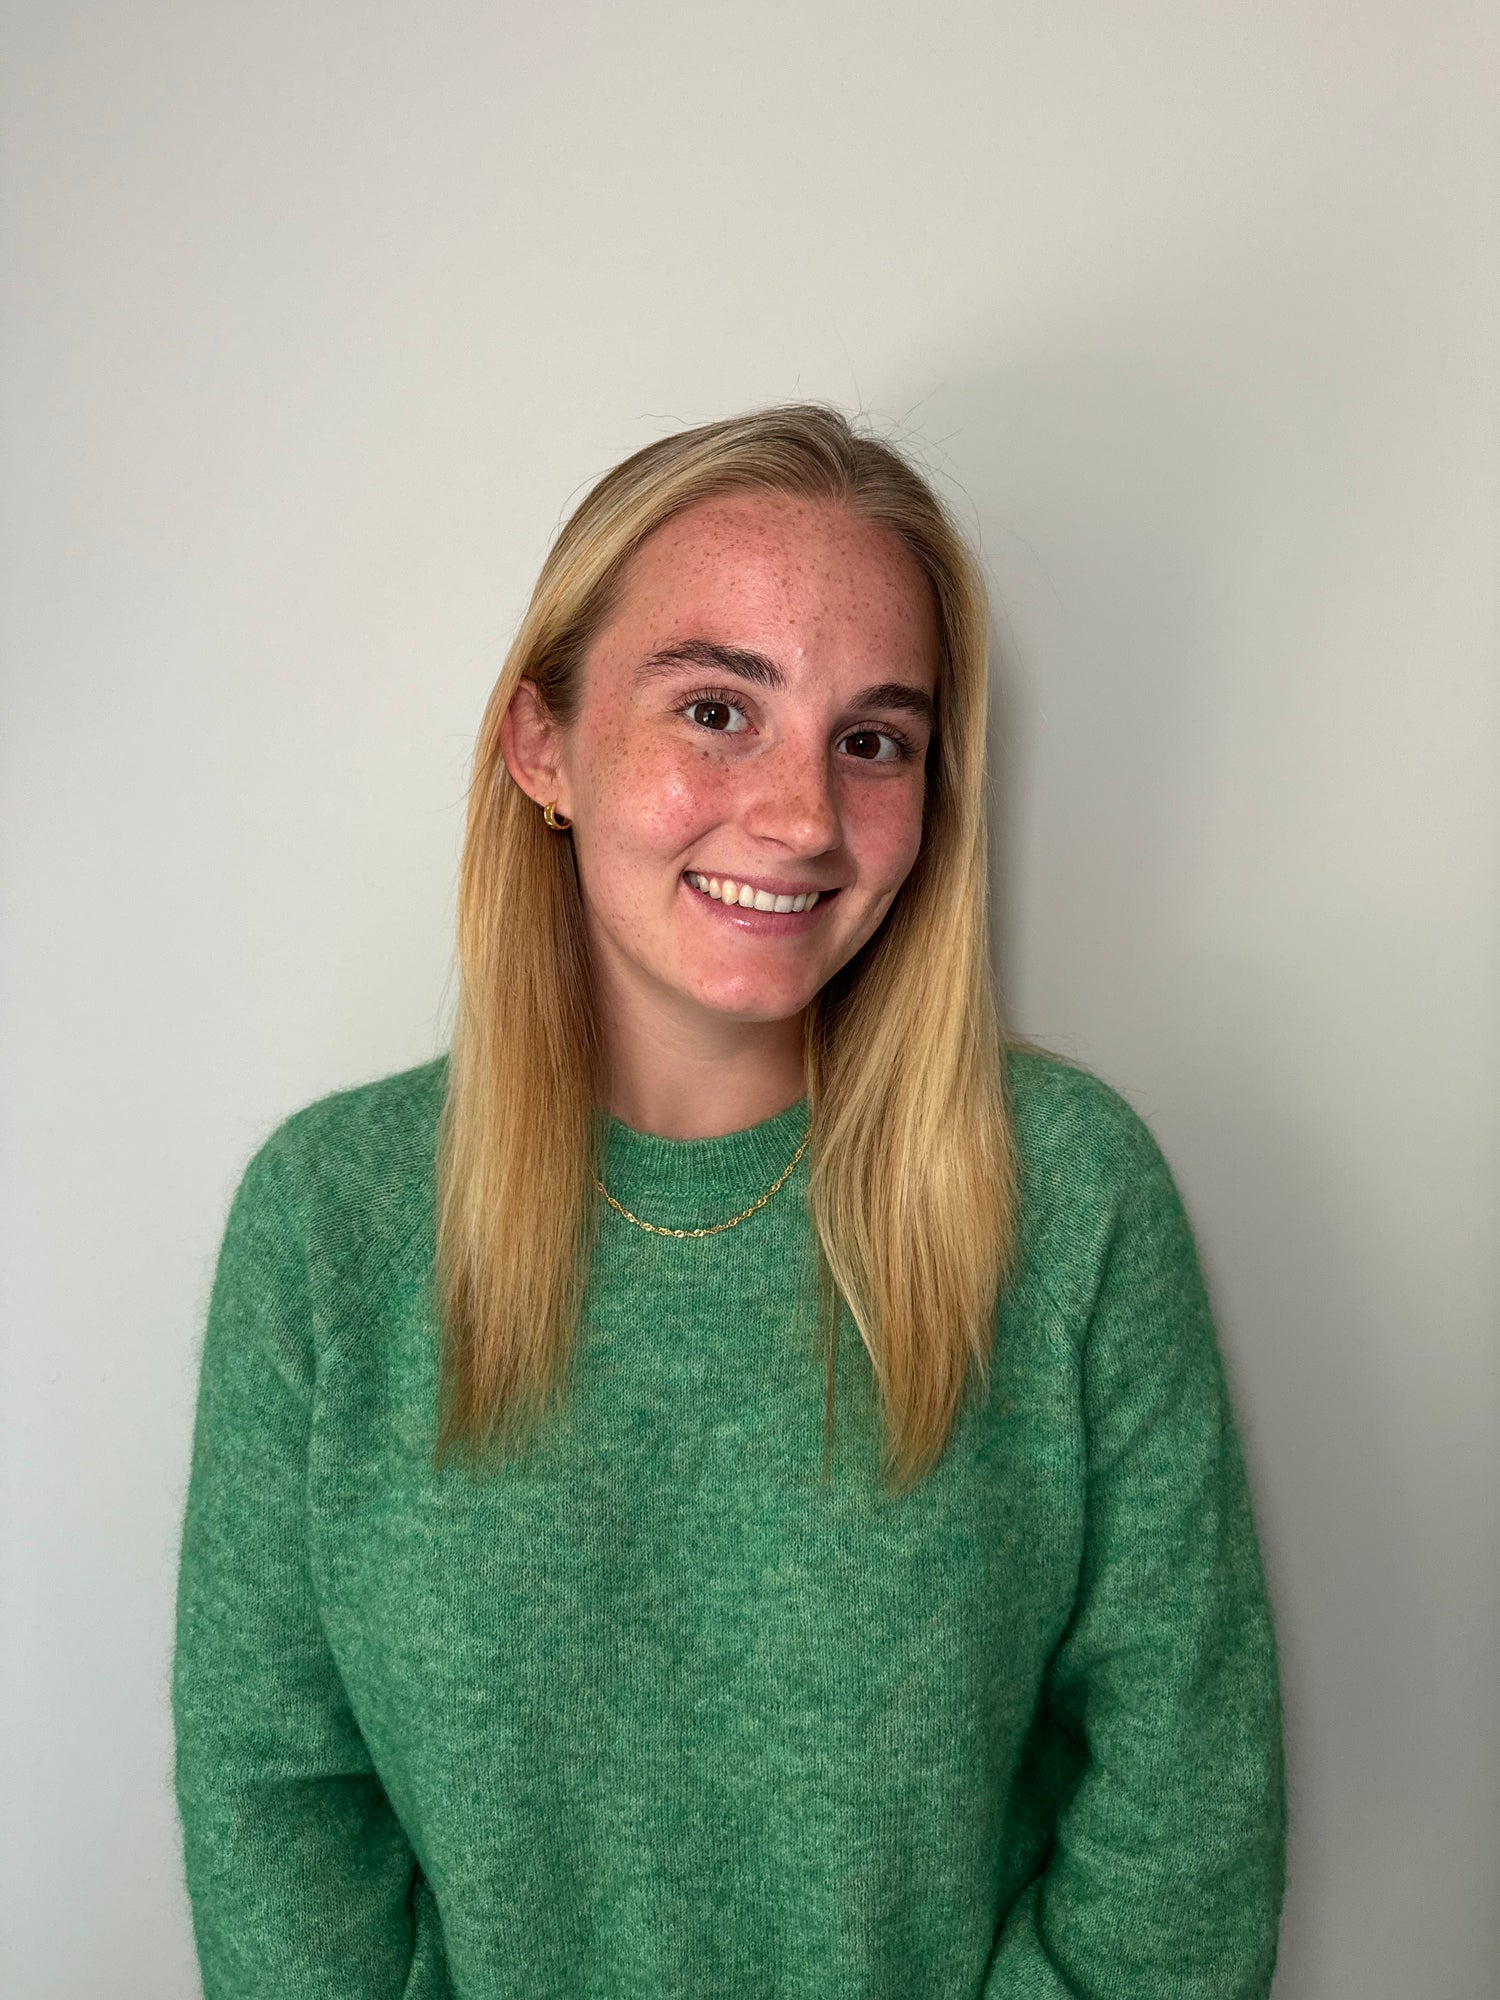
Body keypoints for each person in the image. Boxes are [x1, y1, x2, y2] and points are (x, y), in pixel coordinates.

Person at [172, 403, 1287, 1999]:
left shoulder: (1068, 1197)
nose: (805, 817)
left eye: (874, 739)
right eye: (715, 708)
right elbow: (280, 1812)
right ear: (541, 743)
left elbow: (1187, 1821)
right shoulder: (330, 1228)